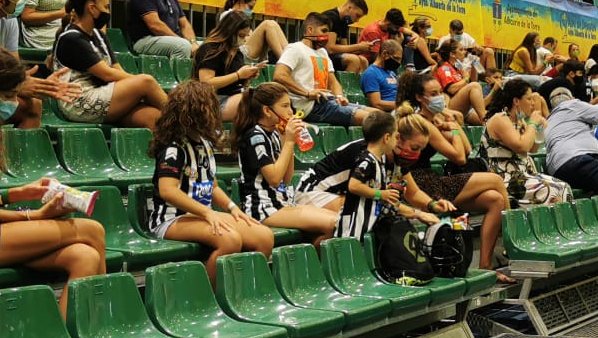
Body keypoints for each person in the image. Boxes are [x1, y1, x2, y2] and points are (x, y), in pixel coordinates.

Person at [0, 46, 105, 316]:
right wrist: (34, 216)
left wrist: (18, 193)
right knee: (92, 230)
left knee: (85, 256)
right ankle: (102, 320)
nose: (14, 103)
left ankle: (67, 335)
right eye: (10, 95)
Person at [147, 81, 274, 280]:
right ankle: (211, 294)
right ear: (194, 112)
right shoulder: (174, 147)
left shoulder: (205, 144)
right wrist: (207, 213)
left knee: (264, 237)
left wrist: (233, 208)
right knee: (230, 240)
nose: (215, 113)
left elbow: (212, 186)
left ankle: (244, 289)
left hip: (201, 216)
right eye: (210, 108)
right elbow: (168, 191)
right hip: (171, 219)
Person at [394, 71, 512, 267]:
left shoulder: (435, 120)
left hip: (432, 179)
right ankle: (511, 238)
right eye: (433, 94)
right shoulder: (422, 122)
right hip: (422, 183)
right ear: (420, 98)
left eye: (440, 92)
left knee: (495, 199)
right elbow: (459, 158)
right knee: (496, 180)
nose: (439, 97)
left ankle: (486, 266)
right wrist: (453, 128)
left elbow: (466, 148)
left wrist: (453, 123)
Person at [294, 111, 450, 240]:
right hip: (312, 192)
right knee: (353, 216)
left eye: (421, 149)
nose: (417, 154)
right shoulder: (369, 156)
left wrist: (433, 205)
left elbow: (413, 192)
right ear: (396, 138)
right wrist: (418, 214)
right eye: (414, 148)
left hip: (339, 194)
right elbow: (376, 203)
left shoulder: (397, 159)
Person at [233, 83, 339, 244]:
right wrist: (289, 141)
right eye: (285, 106)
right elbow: (274, 179)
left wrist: (286, 140)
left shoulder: (275, 134)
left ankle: (311, 256)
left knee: (339, 219)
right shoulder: (255, 137)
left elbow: (287, 178)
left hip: (281, 202)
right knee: (334, 223)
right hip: (262, 207)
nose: (291, 111)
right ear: (267, 110)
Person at [52, 0, 168, 128]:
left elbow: (117, 69)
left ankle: (173, 137)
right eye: (106, 7)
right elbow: (107, 74)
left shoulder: (99, 35)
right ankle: (186, 120)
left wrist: (133, 87)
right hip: (79, 101)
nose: (108, 12)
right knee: (146, 81)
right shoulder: (72, 38)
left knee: (153, 117)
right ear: (92, 8)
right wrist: (140, 84)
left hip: (106, 95)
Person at [482, 78, 572, 209]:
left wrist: (538, 129)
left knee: (564, 187)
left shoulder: (519, 121)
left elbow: (533, 148)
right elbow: (521, 146)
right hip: (504, 177)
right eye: (529, 99)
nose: (533, 103)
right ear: (516, 101)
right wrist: (532, 123)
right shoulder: (500, 118)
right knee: (552, 190)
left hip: (522, 174)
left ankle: (554, 222)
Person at [276, 12, 374, 126]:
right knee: (372, 119)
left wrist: (340, 97)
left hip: (328, 102)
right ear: (310, 30)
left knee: (379, 115)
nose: (327, 36)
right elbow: (279, 75)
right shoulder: (295, 49)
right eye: (323, 31)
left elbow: (333, 82)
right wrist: (307, 93)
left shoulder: (322, 52)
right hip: (309, 107)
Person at [543, 86, 598, 197]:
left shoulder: (549, 120)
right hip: (578, 160)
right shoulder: (573, 105)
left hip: (558, 172)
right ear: (571, 98)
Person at [192, 10, 264, 120]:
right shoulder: (210, 49)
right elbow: (206, 83)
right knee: (250, 102)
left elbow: (237, 85)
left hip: (232, 97)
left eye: (246, 36)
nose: (244, 40)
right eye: (241, 35)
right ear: (229, 31)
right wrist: (238, 75)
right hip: (210, 101)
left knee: (263, 98)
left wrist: (247, 77)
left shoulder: (238, 53)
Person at [216, 0, 289, 61]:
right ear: (240, 3)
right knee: (268, 24)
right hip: (237, 52)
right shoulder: (227, 15)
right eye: (250, 7)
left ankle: (290, 56)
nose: (251, 11)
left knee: (273, 23)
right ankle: (285, 61)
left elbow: (248, 37)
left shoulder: (242, 18)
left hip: (245, 49)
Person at [431, 40, 490, 125]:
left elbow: (473, 82)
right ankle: (485, 122)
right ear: (452, 54)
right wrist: (466, 78)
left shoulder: (457, 67)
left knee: (492, 117)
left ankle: (486, 122)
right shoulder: (445, 68)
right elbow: (451, 89)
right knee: (474, 86)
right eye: (461, 50)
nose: (465, 52)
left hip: (462, 106)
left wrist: (474, 64)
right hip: (447, 106)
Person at [319, 0, 373, 73]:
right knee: (354, 60)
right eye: (357, 16)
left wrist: (361, 49)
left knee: (363, 61)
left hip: (331, 55)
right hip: (319, 54)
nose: (357, 20)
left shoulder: (344, 23)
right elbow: (330, 48)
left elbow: (345, 49)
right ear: (349, 7)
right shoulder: (331, 17)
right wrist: (358, 46)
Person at [360, 39, 402, 111]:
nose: (398, 62)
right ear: (384, 54)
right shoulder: (371, 73)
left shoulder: (391, 72)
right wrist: (401, 106)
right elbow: (376, 103)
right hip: (387, 113)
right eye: (396, 58)